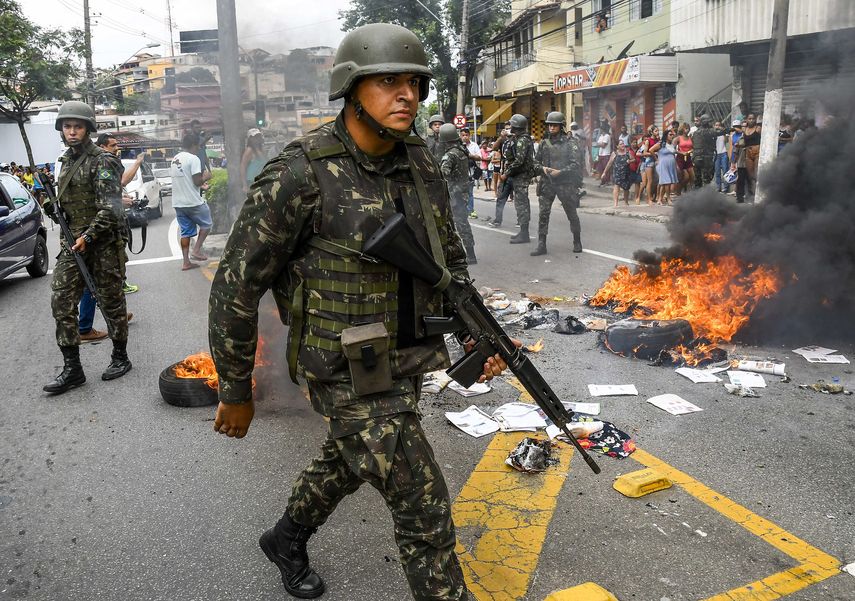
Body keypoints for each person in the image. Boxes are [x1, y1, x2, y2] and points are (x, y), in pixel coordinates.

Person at [208, 23, 516, 601]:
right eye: (389, 82)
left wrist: (479, 335)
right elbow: (235, 287)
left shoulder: (420, 162)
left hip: (404, 356)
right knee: (423, 505)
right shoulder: (300, 173)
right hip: (340, 365)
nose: (408, 96)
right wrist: (235, 388)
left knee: (350, 459)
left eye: (415, 84)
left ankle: (285, 538)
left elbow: (447, 261)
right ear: (351, 90)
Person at [41, 101, 132, 394]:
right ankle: (73, 369)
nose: (72, 131)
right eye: (67, 127)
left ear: (88, 129)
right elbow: (67, 203)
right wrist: (52, 205)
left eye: (77, 126)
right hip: (74, 244)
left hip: (102, 244)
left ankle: (120, 356)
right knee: (61, 300)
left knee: (111, 301)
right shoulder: (65, 161)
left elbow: (111, 209)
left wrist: (88, 237)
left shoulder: (103, 161)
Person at [77, 133, 140, 343]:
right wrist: (119, 202)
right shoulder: (102, 162)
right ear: (102, 146)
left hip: (102, 231)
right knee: (97, 281)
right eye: (113, 145)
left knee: (107, 280)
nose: (116, 148)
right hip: (100, 234)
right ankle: (86, 326)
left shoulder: (97, 163)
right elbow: (101, 201)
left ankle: (115, 315)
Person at [531, 111, 584, 256]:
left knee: (571, 213)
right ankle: (541, 244)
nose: (551, 127)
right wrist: (542, 168)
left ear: (561, 126)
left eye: (555, 125)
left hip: (565, 183)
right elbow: (535, 162)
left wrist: (560, 172)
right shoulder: (544, 143)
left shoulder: (570, 143)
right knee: (543, 214)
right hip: (547, 182)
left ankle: (577, 240)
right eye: (550, 125)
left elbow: (576, 165)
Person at [170, 133, 213, 270]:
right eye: (198, 146)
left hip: (178, 203)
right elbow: (197, 180)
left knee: (185, 233)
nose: (199, 148)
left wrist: (201, 186)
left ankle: (186, 262)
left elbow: (187, 180)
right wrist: (206, 177)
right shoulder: (193, 159)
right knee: (207, 224)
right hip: (193, 202)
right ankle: (196, 250)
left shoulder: (175, 159)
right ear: (194, 145)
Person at [439, 123, 477, 264]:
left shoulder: (449, 155)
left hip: (454, 196)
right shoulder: (462, 151)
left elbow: (443, 174)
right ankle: (470, 254)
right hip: (463, 193)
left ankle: (463, 255)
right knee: (462, 223)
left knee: (454, 225)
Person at [495, 114, 535, 243]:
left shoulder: (523, 140)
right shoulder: (516, 138)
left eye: (511, 125)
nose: (509, 127)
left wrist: (506, 174)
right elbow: (507, 154)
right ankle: (523, 232)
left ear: (516, 126)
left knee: (522, 204)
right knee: (519, 204)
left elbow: (519, 161)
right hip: (516, 175)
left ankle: (524, 234)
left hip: (521, 176)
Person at [602, 139, 633, 207]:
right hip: (617, 173)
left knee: (626, 188)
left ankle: (626, 202)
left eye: (623, 144)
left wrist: (630, 161)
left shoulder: (628, 152)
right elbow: (609, 163)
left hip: (626, 173)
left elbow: (633, 159)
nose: (623, 145)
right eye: (621, 144)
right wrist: (604, 172)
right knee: (616, 186)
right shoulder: (615, 153)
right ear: (617, 146)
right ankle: (615, 203)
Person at [652, 129, 679, 205]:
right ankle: (668, 199)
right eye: (670, 135)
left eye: (672, 135)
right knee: (667, 182)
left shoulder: (672, 145)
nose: (672, 136)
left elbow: (674, 153)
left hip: (671, 165)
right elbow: (651, 150)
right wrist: (656, 159)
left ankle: (659, 199)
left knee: (664, 183)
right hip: (663, 165)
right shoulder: (661, 144)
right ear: (666, 136)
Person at [459, 127, 481, 218]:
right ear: (460, 136)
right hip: (459, 173)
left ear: (469, 136)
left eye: (466, 135)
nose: (465, 137)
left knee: (470, 193)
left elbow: (479, 157)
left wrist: (469, 155)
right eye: (463, 135)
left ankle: (470, 210)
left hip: (470, 173)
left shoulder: (474, 145)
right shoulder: (457, 146)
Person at [691, 114, 716, 189]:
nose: (710, 123)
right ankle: (705, 194)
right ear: (705, 122)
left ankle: (698, 193)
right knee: (707, 178)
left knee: (698, 179)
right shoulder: (707, 131)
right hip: (705, 158)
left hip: (697, 157)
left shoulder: (696, 132)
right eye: (709, 122)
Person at [240, 128, 267, 193]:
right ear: (250, 139)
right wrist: (244, 185)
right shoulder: (249, 150)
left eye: (258, 136)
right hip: (252, 182)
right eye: (254, 137)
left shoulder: (261, 149)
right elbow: (242, 167)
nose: (257, 138)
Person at [742, 113, 761, 197]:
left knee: (756, 173)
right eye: (749, 119)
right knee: (750, 175)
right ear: (747, 120)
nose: (751, 120)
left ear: (755, 120)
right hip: (748, 153)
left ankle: (758, 193)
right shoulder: (744, 129)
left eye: (753, 119)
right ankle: (752, 193)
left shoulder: (758, 128)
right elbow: (743, 141)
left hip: (757, 152)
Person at [639, 125, 659, 205]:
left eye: (658, 130)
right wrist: (653, 153)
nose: (657, 132)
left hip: (656, 161)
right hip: (649, 161)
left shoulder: (658, 140)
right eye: (656, 131)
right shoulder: (648, 141)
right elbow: (644, 153)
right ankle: (649, 199)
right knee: (649, 181)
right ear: (651, 132)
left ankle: (653, 197)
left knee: (656, 180)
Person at [674, 124, 694, 193]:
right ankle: (678, 190)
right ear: (682, 129)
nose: (687, 130)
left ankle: (689, 191)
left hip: (688, 158)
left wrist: (690, 151)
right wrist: (681, 153)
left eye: (688, 128)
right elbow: (673, 149)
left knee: (692, 176)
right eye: (686, 128)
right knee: (684, 177)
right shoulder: (678, 138)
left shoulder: (690, 138)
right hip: (680, 159)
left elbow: (693, 147)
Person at [713, 120, 730, 193]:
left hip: (723, 153)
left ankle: (726, 188)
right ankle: (718, 187)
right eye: (716, 125)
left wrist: (723, 131)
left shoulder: (724, 134)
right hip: (716, 155)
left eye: (719, 125)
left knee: (725, 171)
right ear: (714, 126)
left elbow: (727, 142)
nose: (717, 127)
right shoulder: (713, 134)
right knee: (717, 172)